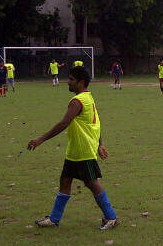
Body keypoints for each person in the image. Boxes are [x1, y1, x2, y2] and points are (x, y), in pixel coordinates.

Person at [28, 66, 118, 230]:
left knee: (92, 183)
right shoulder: (88, 97)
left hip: (83, 150)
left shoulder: (77, 102)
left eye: (71, 79)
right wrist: (100, 144)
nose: (67, 82)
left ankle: (111, 217)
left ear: (80, 82)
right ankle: (54, 218)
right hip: (75, 150)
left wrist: (40, 139)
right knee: (65, 180)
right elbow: (96, 122)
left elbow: (64, 123)